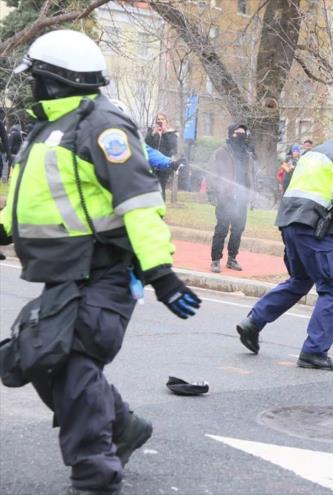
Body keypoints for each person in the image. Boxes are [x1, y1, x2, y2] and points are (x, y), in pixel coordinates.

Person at [0, 30, 201, 494]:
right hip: (64, 274)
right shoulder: (51, 126)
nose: (31, 86)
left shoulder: (103, 126)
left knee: (71, 362)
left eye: (35, 78)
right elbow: (44, 198)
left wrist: (161, 274)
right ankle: (123, 426)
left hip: (105, 271)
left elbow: (140, 203)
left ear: (52, 82)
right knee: (37, 356)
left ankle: (95, 469)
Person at [234, 113, 333, 371]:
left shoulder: (316, 152)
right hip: (315, 228)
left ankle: (253, 322)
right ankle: (314, 352)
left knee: (299, 280)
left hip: (289, 223)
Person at [207, 123, 255, 273]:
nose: (241, 136)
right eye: (237, 133)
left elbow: (252, 176)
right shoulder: (221, 152)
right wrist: (213, 192)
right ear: (230, 134)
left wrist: (252, 195)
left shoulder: (248, 155)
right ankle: (215, 260)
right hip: (225, 197)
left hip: (242, 198)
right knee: (221, 228)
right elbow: (212, 172)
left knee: (238, 229)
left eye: (243, 133)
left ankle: (232, 259)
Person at [143, 112, 177, 200]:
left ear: (166, 121)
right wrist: (153, 133)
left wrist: (165, 132)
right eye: (158, 119)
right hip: (152, 164)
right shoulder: (152, 131)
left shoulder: (171, 133)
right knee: (150, 188)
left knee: (161, 188)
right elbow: (146, 145)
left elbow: (172, 147)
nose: (160, 121)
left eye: (162, 119)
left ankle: (161, 209)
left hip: (164, 165)